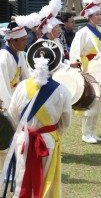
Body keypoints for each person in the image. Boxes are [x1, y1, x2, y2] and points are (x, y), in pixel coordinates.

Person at [8, 40, 72, 197]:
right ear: (55, 66)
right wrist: (54, 134)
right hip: (47, 141)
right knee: (46, 182)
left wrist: (25, 129)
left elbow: (13, 115)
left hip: (23, 140)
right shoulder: (62, 91)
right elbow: (65, 122)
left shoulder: (21, 86)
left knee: (21, 179)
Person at [70, 0, 101, 144]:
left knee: (98, 100)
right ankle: (85, 133)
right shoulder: (83, 32)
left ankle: (92, 131)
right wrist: (80, 73)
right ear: (90, 16)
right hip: (88, 67)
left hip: (98, 68)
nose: (100, 17)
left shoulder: (100, 29)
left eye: (100, 14)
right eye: (97, 14)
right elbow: (75, 52)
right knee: (90, 99)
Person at [0, 21, 30, 175]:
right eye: (23, 40)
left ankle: (13, 169)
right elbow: (2, 88)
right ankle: (6, 172)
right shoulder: (3, 58)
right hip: (5, 104)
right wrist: (10, 110)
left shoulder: (18, 54)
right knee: (5, 139)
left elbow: (26, 78)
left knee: (17, 138)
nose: (26, 42)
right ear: (12, 41)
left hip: (16, 100)